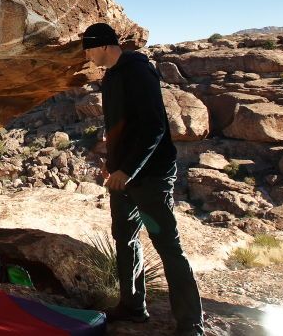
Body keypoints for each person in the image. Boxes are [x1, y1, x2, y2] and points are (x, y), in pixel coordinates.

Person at [82, 23, 204, 336]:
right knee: (125, 237)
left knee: (167, 245)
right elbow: (117, 129)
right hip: (123, 178)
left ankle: (191, 324)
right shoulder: (110, 78)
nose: (86, 54)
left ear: (106, 45)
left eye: (89, 47)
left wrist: (128, 169)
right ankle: (133, 306)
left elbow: (154, 126)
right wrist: (113, 166)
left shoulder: (138, 71)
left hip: (150, 175)